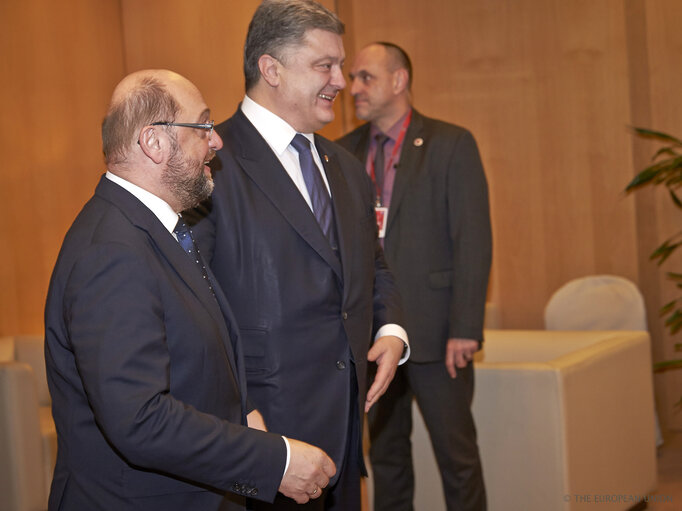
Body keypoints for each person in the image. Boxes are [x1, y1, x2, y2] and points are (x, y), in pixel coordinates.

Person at [44, 69, 336, 511]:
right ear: (154, 142)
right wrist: (275, 462)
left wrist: (245, 421)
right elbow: (139, 419)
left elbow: (188, 363)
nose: (216, 141)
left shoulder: (156, 231)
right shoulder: (111, 250)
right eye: (202, 126)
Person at [188, 1, 408, 509]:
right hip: (265, 439)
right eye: (324, 66)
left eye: (341, 65)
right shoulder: (210, 167)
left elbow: (374, 267)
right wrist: (242, 412)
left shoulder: (347, 168)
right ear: (271, 69)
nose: (341, 81)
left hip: (348, 434)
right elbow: (195, 308)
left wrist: (391, 330)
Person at [336, 42, 492, 511]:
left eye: (366, 77)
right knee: (385, 457)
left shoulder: (451, 143)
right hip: (373, 337)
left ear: (399, 80)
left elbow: (473, 239)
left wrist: (465, 327)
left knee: (457, 457)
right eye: (353, 77)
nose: (352, 88)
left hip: (437, 334)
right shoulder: (343, 152)